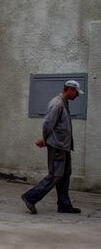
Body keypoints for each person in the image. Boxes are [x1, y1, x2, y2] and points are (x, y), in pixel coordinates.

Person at [21, 80, 83, 214]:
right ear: (70, 89)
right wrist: (45, 139)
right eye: (76, 92)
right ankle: (30, 197)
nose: (77, 95)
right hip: (58, 147)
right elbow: (48, 124)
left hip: (64, 147)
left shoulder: (64, 103)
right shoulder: (57, 103)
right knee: (55, 175)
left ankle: (64, 205)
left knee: (65, 175)